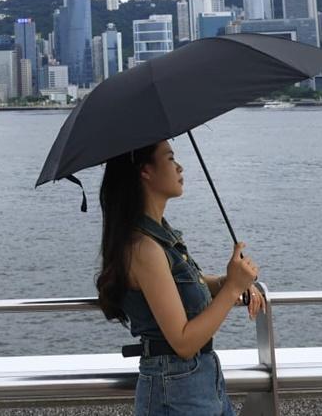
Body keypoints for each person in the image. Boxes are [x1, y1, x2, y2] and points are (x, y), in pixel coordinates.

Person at [95, 139, 263, 415]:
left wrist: (231, 281)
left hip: (201, 379)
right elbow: (183, 342)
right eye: (170, 158)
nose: (180, 167)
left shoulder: (160, 236)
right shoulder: (143, 248)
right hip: (174, 389)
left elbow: (183, 287)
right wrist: (233, 288)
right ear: (145, 171)